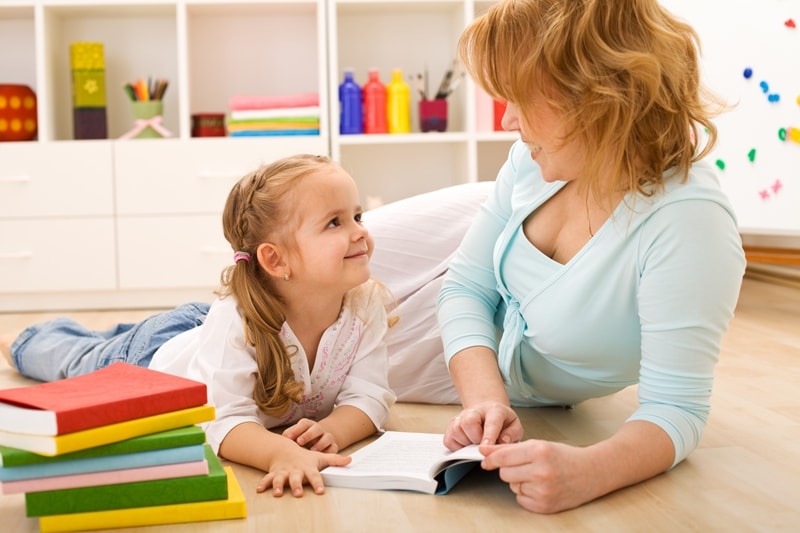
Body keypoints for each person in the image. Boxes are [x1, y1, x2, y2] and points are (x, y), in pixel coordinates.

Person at [371, 0, 746, 514]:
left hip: (483, 354)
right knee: (277, 284)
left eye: (519, 99)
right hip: (455, 234)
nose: (506, 120)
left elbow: (676, 408)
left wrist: (590, 470)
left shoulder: (688, 224)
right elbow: (465, 288)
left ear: (593, 93)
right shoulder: (531, 158)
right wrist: (486, 400)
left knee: (297, 358)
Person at [2, 154, 396, 498]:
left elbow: (371, 394)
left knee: (127, 338)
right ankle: (22, 341)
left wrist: (335, 431)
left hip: (199, 330)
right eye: (334, 223)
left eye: (357, 216)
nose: (360, 230)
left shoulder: (365, 306)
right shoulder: (236, 320)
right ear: (275, 261)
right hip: (153, 358)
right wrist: (280, 453)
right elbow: (220, 418)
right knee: (82, 360)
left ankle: (120, 332)